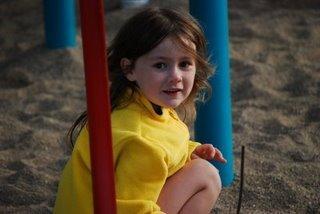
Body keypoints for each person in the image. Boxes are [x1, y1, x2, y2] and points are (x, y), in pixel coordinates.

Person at [54, 7, 227, 214]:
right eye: (161, 65)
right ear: (129, 69)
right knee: (207, 176)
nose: (176, 76)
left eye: (184, 64)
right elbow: (132, 208)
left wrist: (190, 150)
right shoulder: (141, 142)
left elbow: (161, 141)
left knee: (199, 169)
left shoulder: (135, 102)